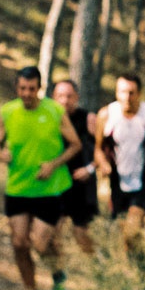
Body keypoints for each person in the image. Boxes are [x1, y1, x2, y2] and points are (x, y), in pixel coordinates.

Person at [0, 65, 82, 290]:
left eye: (31, 89)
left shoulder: (54, 111)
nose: (27, 94)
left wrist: (53, 164)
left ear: (39, 88)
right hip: (18, 188)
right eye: (22, 88)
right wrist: (0, 153)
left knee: (41, 243)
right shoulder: (8, 112)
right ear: (16, 88)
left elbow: (75, 144)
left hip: (48, 190)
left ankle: (58, 275)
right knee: (19, 243)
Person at [94, 73, 145, 252]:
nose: (127, 97)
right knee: (123, 230)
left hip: (143, 182)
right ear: (116, 92)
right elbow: (98, 149)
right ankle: (135, 260)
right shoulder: (106, 115)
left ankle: (136, 256)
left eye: (131, 92)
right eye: (122, 92)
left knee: (132, 228)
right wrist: (104, 164)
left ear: (139, 93)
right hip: (118, 181)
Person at [52, 78, 99, 255]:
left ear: (77, 97)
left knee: (81, 234)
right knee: (53, 231)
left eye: (69, 96)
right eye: (60, 96)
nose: (64, 100)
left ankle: (95, 264)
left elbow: (104, 150)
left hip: (82, 185)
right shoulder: (50, 119)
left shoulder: (89, 119)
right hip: (56, 182)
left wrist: (90, 168)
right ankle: (58, 267)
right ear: (53, 97)